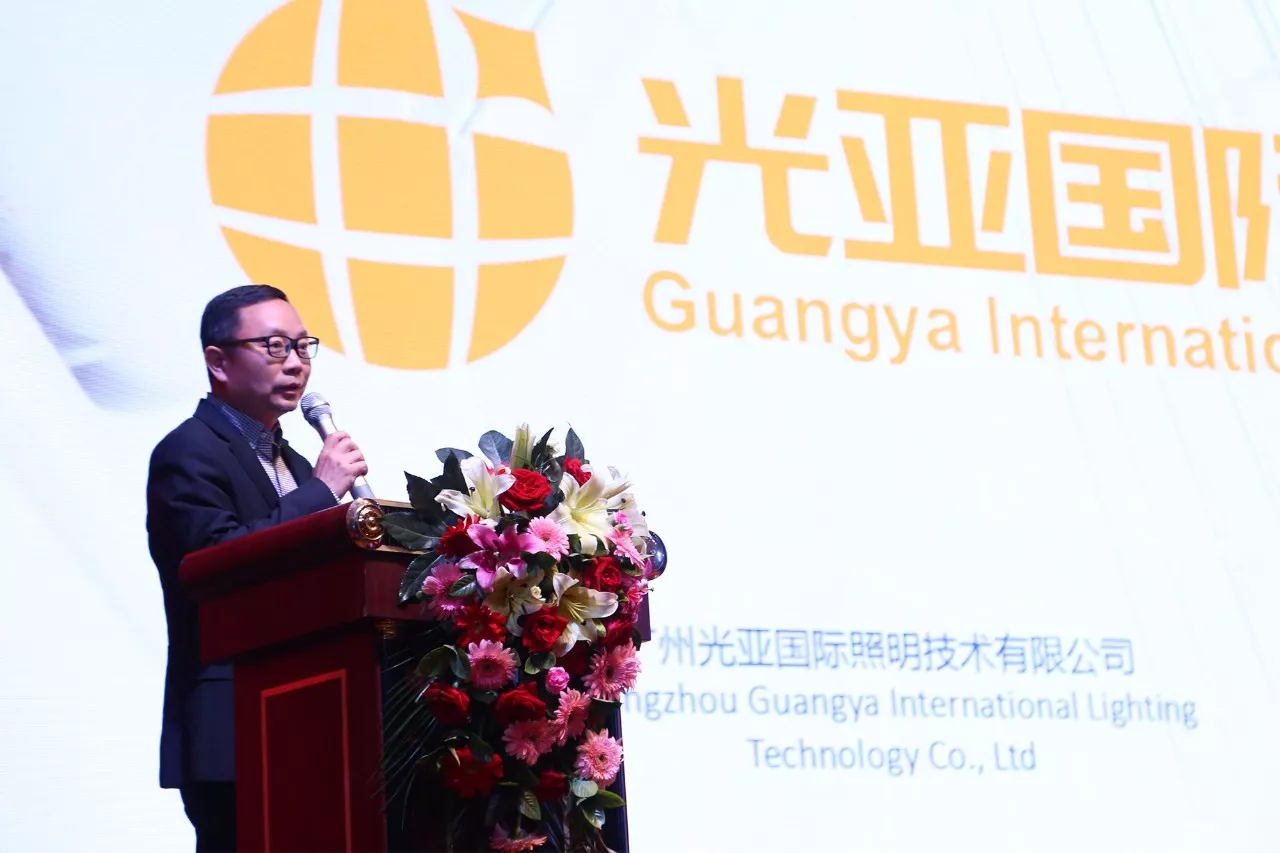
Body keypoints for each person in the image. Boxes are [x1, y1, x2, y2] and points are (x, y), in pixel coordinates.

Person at [146, 284, 369, 852]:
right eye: (274, 347)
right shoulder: (186, 452)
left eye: (303, 346)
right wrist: (320, 493)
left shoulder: (292, 459)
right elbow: (216, 566)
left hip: (309, 718)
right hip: (232, 724)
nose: (296, 363)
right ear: (218, 362)